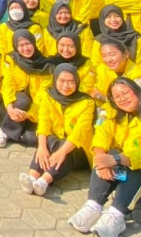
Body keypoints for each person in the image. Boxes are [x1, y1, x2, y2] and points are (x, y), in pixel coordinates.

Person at [68, 77, 141, 237]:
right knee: (106, 155)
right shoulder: (115, 115)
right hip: (131, 181)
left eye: (125, 93)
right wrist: (101, 159)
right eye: (117, 97)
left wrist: (116, 160)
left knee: (136, 162)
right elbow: (101, 135)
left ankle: (116, 216)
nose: (122, 99)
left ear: (138, 93)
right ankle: (93, 205)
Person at [20, 63, 94, 196]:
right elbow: (43, 122)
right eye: (62, 81)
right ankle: (32, 178)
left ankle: (44, 181)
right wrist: (41, 147)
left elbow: (80, 132)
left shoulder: (86, 102)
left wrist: (62, 152)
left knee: (61, 147)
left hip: (78, 149)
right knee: (47, 142)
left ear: (77, 82)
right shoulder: (49, 96)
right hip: (55, 143)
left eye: (71, 82)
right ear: (55, 80)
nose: (66, 86)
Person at [0, 29, 53, 148]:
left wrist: (30, 115)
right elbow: (8, 83)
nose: (25, 48)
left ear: (34, 43)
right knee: (22, 101)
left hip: (37, 105)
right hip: (18, 100)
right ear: (15, 46)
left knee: (32, 139)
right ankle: (5, 130)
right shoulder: (11, 59)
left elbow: (43, 95)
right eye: (21, 45)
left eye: (28, 44)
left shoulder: (46, 66)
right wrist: (10, 107)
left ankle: (19, 129)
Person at [93, 39, 141, 121]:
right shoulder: (101, 69)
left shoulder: (139, 74)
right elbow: (93, 91)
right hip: (110, 112)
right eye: (104, 56)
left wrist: (101, 97)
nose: (108, 60)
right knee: (99, 127)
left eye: (112, 54)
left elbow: (131, 102)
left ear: (126, 54)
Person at [91, 4, 141, 70]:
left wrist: (126, 79)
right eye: (108, 17)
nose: (113, 20)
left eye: (117, 16)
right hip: (106, 78)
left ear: (122, 17)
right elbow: (96, 65)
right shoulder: (99, 40)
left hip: (132, 77)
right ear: (102, 19)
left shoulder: (137, 39)